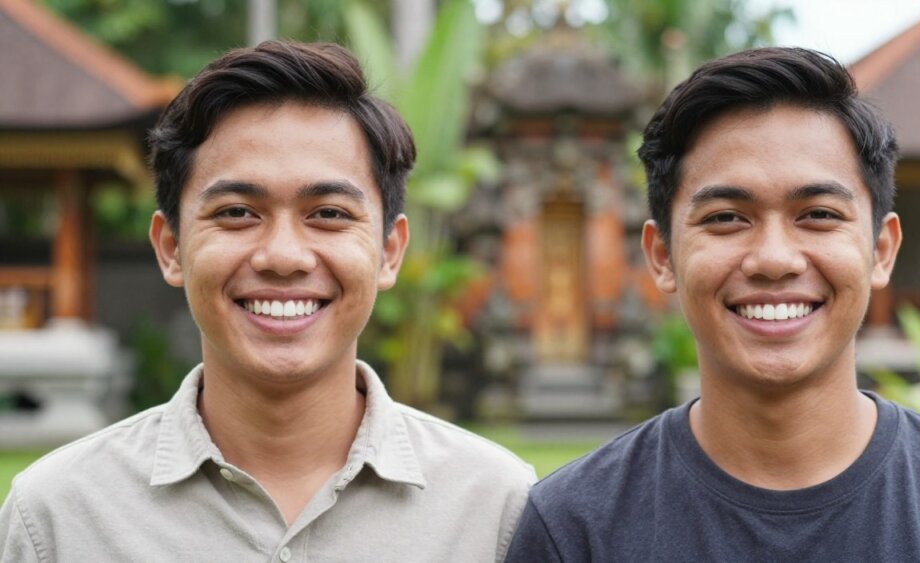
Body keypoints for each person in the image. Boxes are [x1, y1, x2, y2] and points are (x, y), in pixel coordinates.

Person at [0, 41, 534, 562]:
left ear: (389, 252)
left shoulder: (495, 508)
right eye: (237, 212)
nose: (283, 257)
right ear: (171, 248)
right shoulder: (59, 516)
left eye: (328, 213)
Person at [504, 47, 920, 562]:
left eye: (818, 214)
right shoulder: (574, 526)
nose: (774, 259)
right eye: (727, 217)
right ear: (662, 256)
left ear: (880, 250)